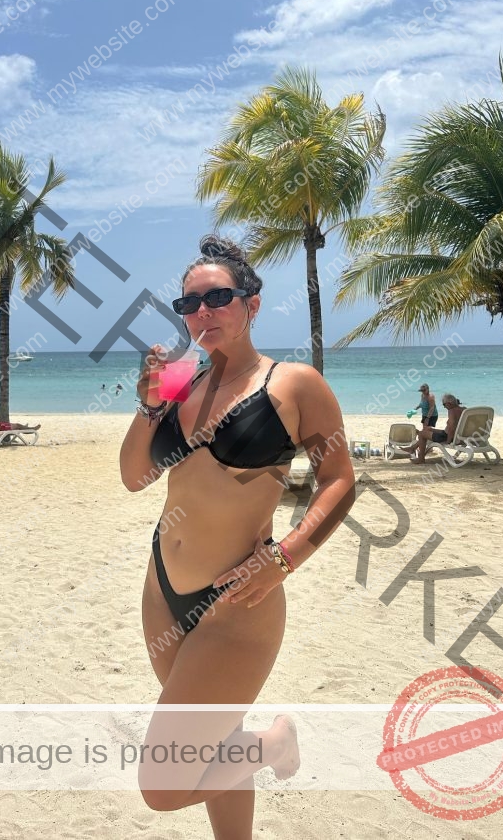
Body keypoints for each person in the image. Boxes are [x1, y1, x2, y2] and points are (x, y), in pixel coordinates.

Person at [119, 235, 356, 836]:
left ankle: (274, 745)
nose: (203, 313)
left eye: (219, 297)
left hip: (236, 604)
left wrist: (287, 556)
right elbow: (134, 477)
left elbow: (339, 480)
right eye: (189, 304)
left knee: (165, 782)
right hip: (161, 588)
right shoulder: (181, 381)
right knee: (212, 744)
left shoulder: (294, 384)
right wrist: (149, 407)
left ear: (251, 304)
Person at [402, 393, 465, 464]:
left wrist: (448, 441)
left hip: (447, 437)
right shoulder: (464, 410)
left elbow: (452, 426)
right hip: (460, 436)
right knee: (428, 429)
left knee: (422, 434)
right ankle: (413, 448)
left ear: (449, 403)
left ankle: (421, 458)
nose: (444, 407)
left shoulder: (452, 411)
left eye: (444, 404)